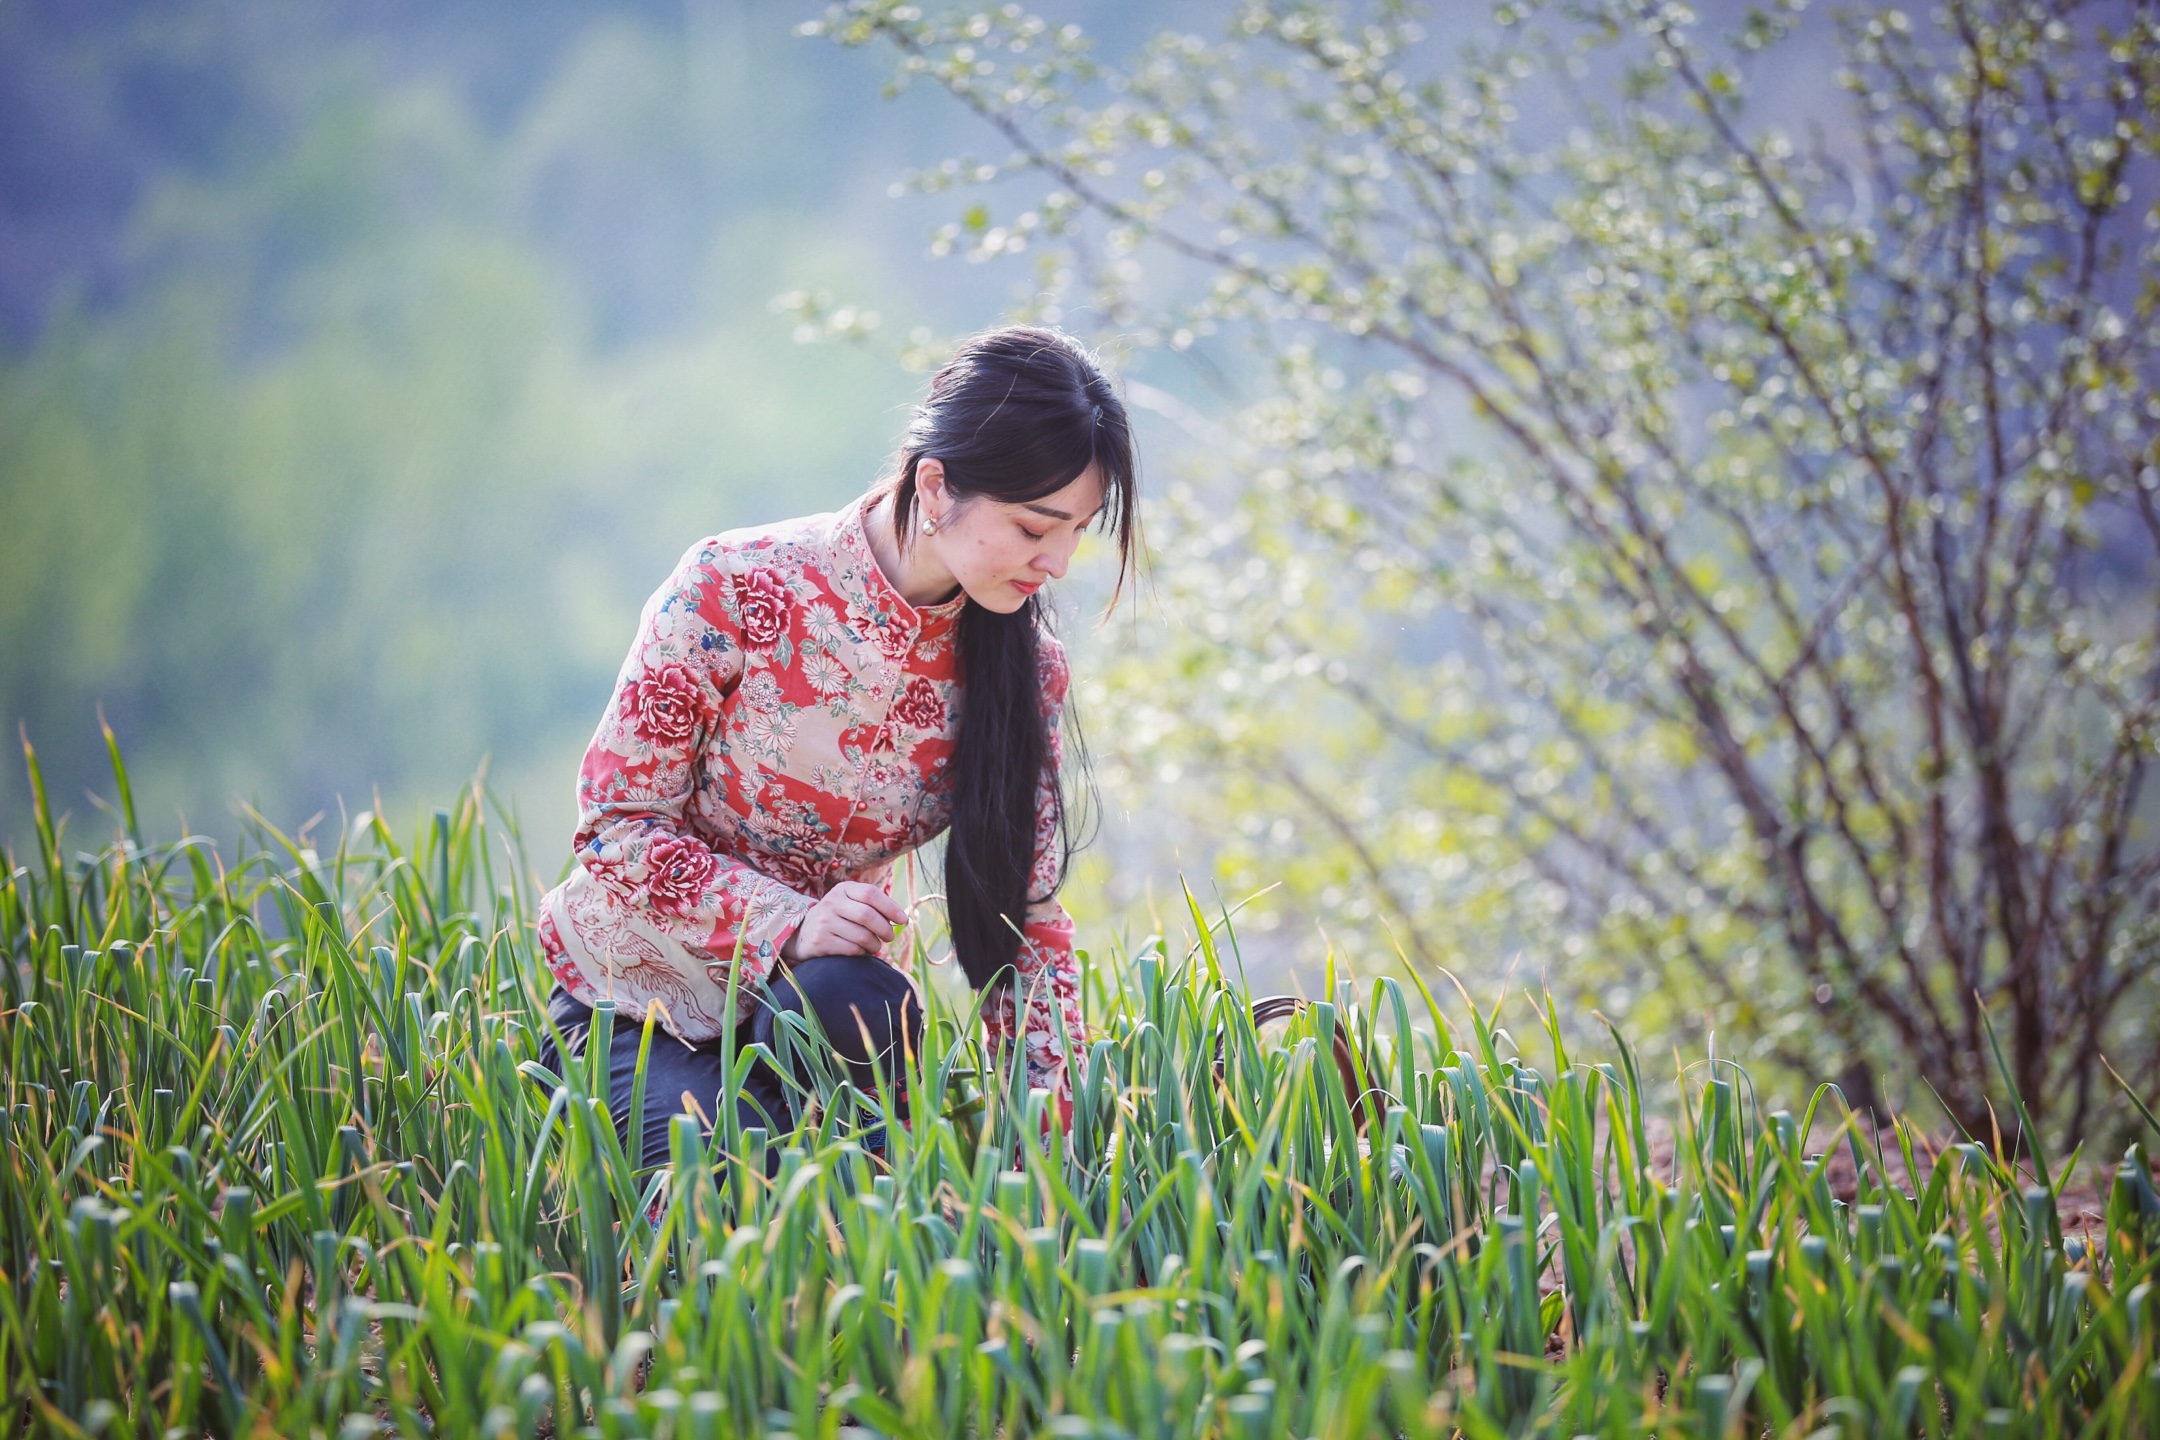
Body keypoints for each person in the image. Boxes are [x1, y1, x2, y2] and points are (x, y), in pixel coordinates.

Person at [532, 326, 1137, 1166]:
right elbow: (616, 826)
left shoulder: (1025, 671)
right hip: (634, 1000)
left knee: (857, 1010)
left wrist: (1053, 1152)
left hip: (824, 1015)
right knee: (728, 1173)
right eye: (1037, 528)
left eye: (1077, 531)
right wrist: (792, 921)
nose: (1061, 561)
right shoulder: (735, 587)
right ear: (935, 486)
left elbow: (1024, 926)